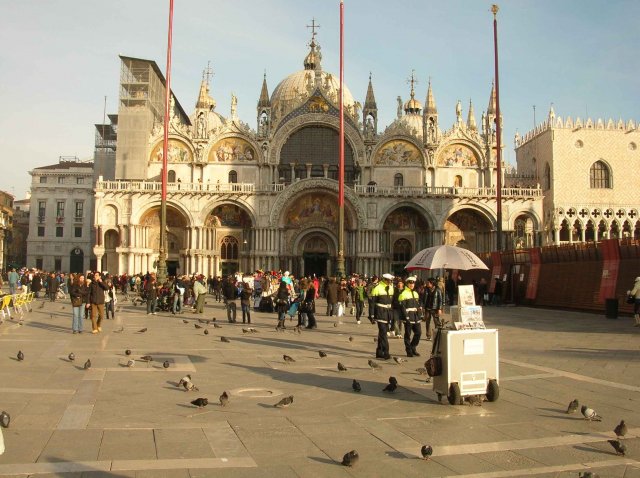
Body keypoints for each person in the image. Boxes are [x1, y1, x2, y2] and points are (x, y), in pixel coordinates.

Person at [371, 273, 395, 360]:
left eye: (391, 281)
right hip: (380, 312)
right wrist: (372, 315)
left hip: (388, 313)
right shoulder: (377, 288)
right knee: (384, 333)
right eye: (389, 281)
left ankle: (379, 352)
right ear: (385, 280)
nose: (390, 282)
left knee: (382, 333)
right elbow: (372, 303)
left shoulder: (391, 288)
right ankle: (386, 352)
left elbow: (392, 302)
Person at [400, 276, 422, 357]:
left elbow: (418, 303)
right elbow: (402, 307)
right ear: (407, 283)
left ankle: (413, 347)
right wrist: (406, 317)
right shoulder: (403, 293)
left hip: (416, 316)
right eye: (410, 283)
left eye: (413, 283)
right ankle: (408, 350)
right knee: (408, 334)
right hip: (408, 316)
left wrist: (419, 309)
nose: (412, 285)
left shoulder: (416, 293)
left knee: (418, 333)